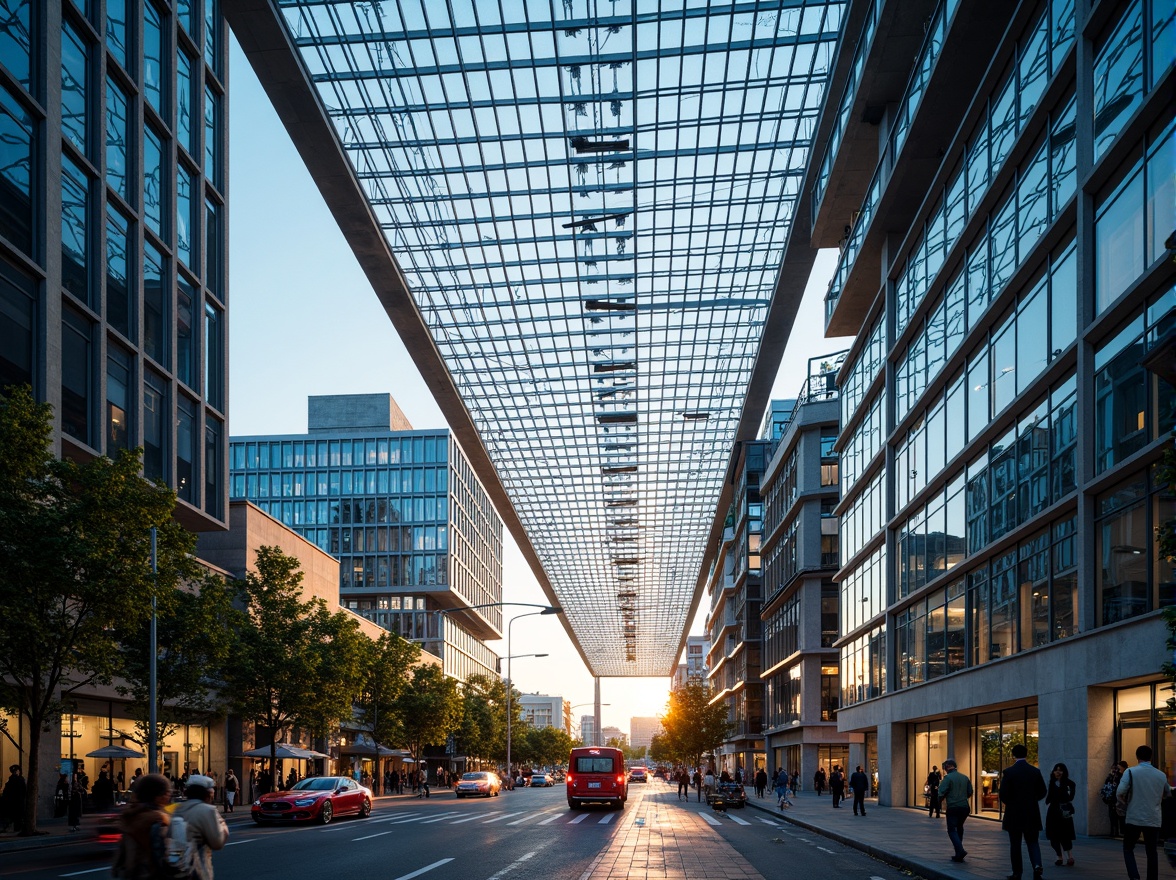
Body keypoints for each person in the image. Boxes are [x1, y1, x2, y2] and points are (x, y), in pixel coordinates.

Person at [1118, 744, 1172, 880]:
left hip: (1134, 817)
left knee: (1128, 848)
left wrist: (1124, 803)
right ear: (1151, 757)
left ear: (1137, 757)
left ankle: (1134, 876)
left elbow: (1120, 792)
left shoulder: (1130, 772)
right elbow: (1168, 793)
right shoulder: (1161, 775)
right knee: (1151, 852)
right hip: (1153, 818)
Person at [999, 742, 1047, 880]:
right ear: (1026, 754)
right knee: (1033, 842)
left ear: (1013, 755)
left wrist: (1012, 803)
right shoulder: (1035, 771)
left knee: (1015, 844)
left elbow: (1003, 793)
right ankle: (1037, 865)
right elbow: (1043, 791)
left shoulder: (1009, 772)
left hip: (1014, 814)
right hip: (1031, 812)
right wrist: (1032, 800)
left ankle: (1017, 872)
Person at [112, 773, 173, 880]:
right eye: (166, 793)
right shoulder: (158, 820)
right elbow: (166, 858)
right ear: (157, 796)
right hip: (149, 874)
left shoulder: (132, 815)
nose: (168, 796)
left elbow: (122, 850)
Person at [172, 775, 229, 880]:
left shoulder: (177, 809)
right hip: (197, 870)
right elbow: (217, 842)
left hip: (177, 868)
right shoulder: (208, 810)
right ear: (208, 794)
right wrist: (222, 824)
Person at [937, 758, 972, 863]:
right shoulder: (965, 777)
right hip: (964, 807)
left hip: (953, 807)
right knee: (959, 827)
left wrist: (939, 802)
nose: (944, 770)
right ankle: (958, 853)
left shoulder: (948, 778)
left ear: (948, 767)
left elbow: (941, 793)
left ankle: (960, 850)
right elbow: (970, 792)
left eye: (944, 768)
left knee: (952, 829)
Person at [1044, 762, 1076, 867]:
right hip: (1053, 811)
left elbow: (1071, 792)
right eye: (1056, 770)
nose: (1058, 772)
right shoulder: (1052, 782)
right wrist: (1047, 801)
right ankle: (1059, 857)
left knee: (1065, 834)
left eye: (1060, 770)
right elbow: (1049, 796)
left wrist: (1069, 797)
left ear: (1064, 772)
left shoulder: (1067, 782)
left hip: (1063, 811)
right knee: (1053, 835)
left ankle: (1070, 857)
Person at [1102, 761, 1126, 838]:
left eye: (1118, 768)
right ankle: (1115, 831)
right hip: (1112, 798)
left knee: (1120, 816)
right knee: (1113, 816)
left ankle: (1120, 832)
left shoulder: (1122, 776)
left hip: (1118, 798)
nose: (1116, 770)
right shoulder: (1111, 777)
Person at [1, 765, 26, 833]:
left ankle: (15, 827)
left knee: (16, 816)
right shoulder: (16, 779)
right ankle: (16, 827)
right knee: (16, 816)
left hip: (16, 801)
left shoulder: (16, 779)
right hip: (15, 801)